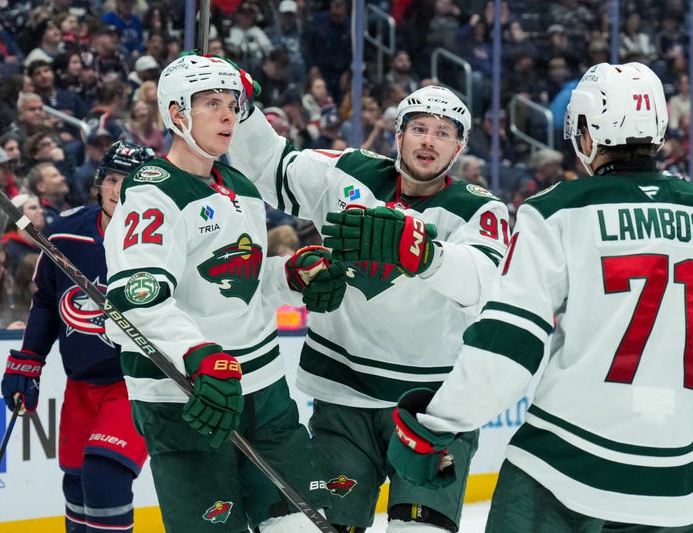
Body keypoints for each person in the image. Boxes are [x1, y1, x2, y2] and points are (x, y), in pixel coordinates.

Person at [383, 62, 693, 531]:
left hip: (567, 466)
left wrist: (440, 424)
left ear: (586, 133)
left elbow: (508, 349)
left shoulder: (556, 212)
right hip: (680, 481)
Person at [229, 79, 510, 532]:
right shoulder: (348, 171)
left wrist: (423, 253)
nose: (429, 141)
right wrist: (239, 109)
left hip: (432, 409)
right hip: (344, 400)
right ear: (398, 135)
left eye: (444, 132)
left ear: (459, 147)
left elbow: (486, 281)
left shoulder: (480, 209)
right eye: (419, 128)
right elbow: (269, 164)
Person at [102, 53, 343, 533]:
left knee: (305, 525)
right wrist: (197, 354)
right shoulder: (152, 194)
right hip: (190, 399)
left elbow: (239, 283)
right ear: (176, 114)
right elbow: (136, 300)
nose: (229, 114)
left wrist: (291, 276)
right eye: (211, 103)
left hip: (266, 389)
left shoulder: (240, 186)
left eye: (232, 103)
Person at [0, 141, 155, 532]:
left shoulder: (161, 238)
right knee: (77, 482)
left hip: (135, 382)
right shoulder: (67, 232)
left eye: (133, 183)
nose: (121, 192)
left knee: (105, 474)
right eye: (114, 180)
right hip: (82, 382)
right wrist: (28, 362)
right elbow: (49, 302)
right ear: (100, 183)